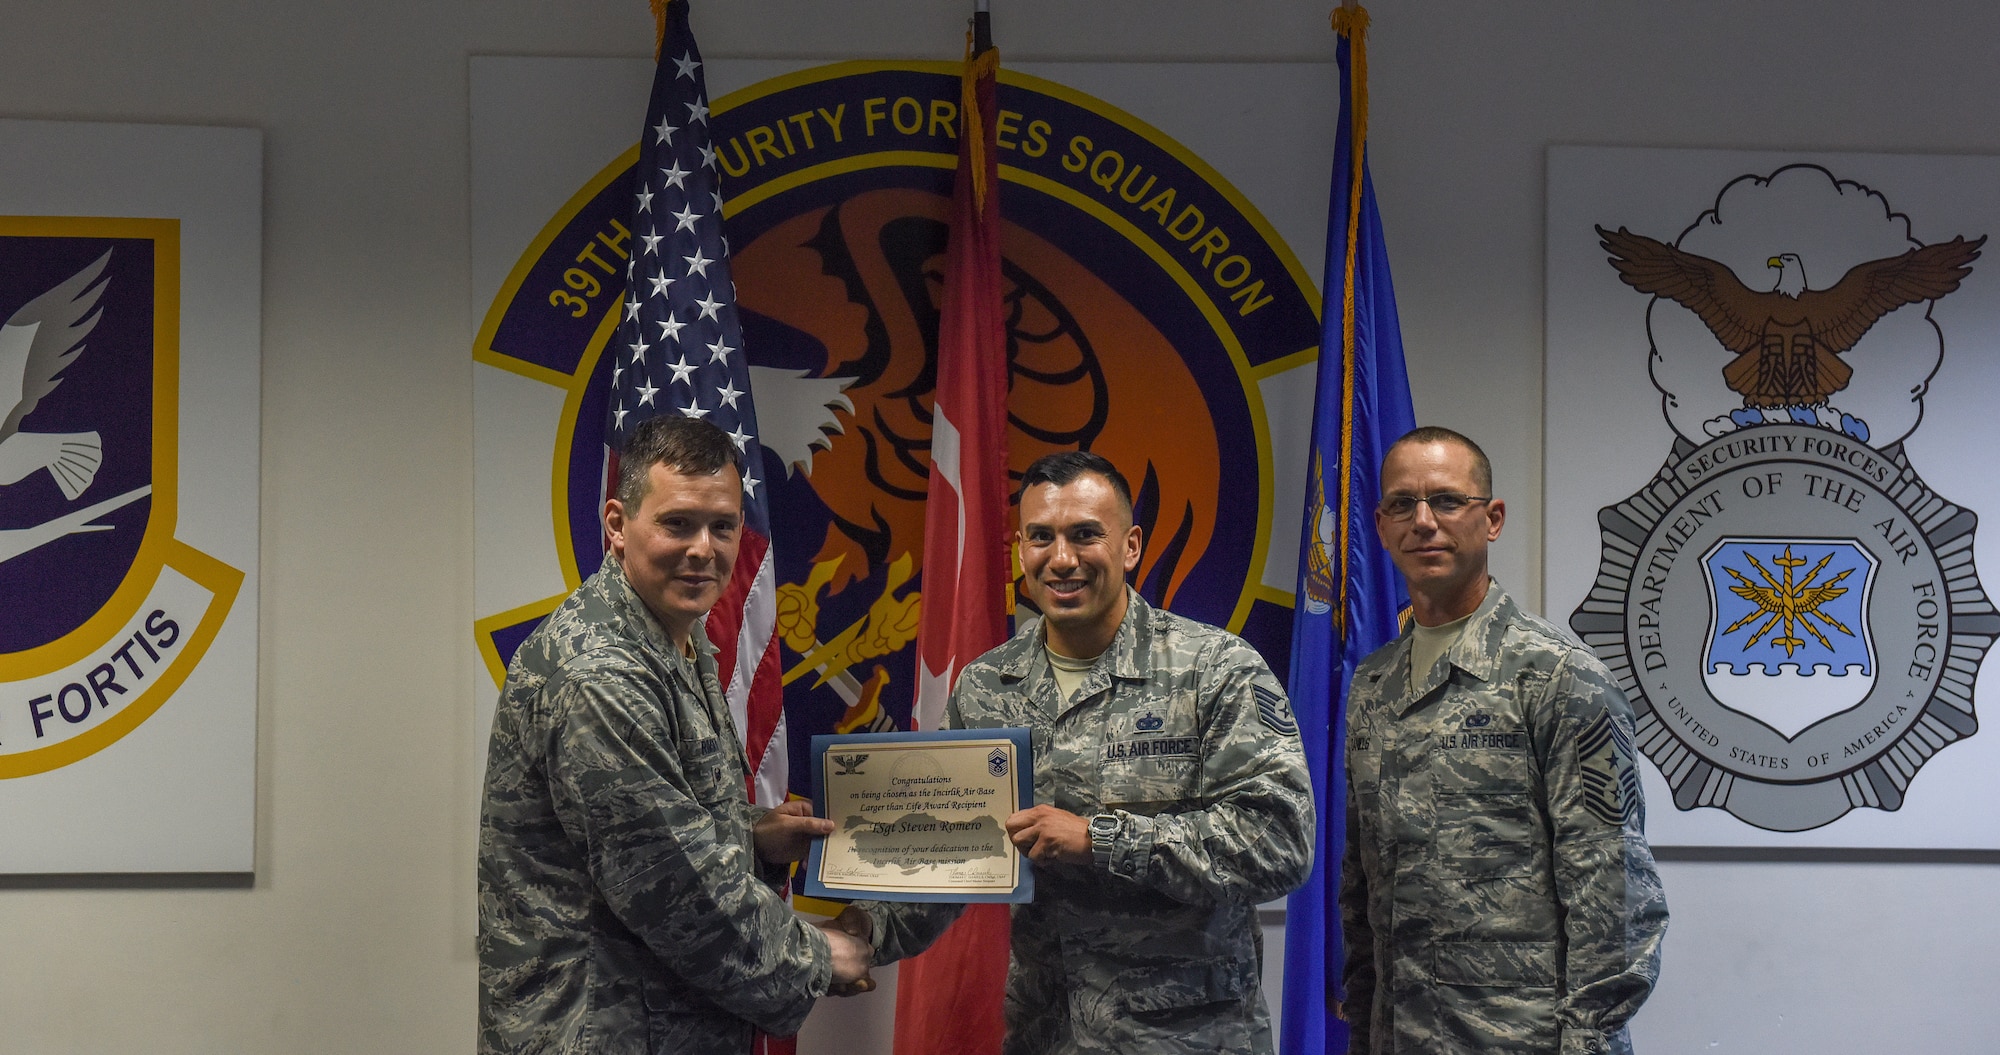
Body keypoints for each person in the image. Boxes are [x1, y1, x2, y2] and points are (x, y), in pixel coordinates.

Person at [834, 450, 1315, 1054]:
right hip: (1047, 1033)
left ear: (1131, 546)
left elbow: (1279, 843)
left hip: (1189, 1036)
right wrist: (861, 931)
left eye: (1086, 535)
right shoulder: (987, 688)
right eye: (1041, 538)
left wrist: (1102, 840)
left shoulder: (1215, 671)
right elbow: (953, 854)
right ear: (1020, 550)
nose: (1062, 560)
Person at [478, 416, 873, 1055]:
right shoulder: (599, 675)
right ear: (616, 525)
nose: (703, 549)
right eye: (677, 523)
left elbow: (659, 820)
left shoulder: (672, 642)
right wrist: (819, 957)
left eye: (722, 526)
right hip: (598, 1031)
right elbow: (670, 885)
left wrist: (754, 835)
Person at [1339, 427, 1668, 1055]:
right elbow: (1362, 882)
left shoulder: (1560, 677)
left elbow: (1616, 896)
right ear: (1380, 527)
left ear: (1492, 519)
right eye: (1403, 505)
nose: (1424, 521)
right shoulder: (1373, 684)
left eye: (1447, 500)